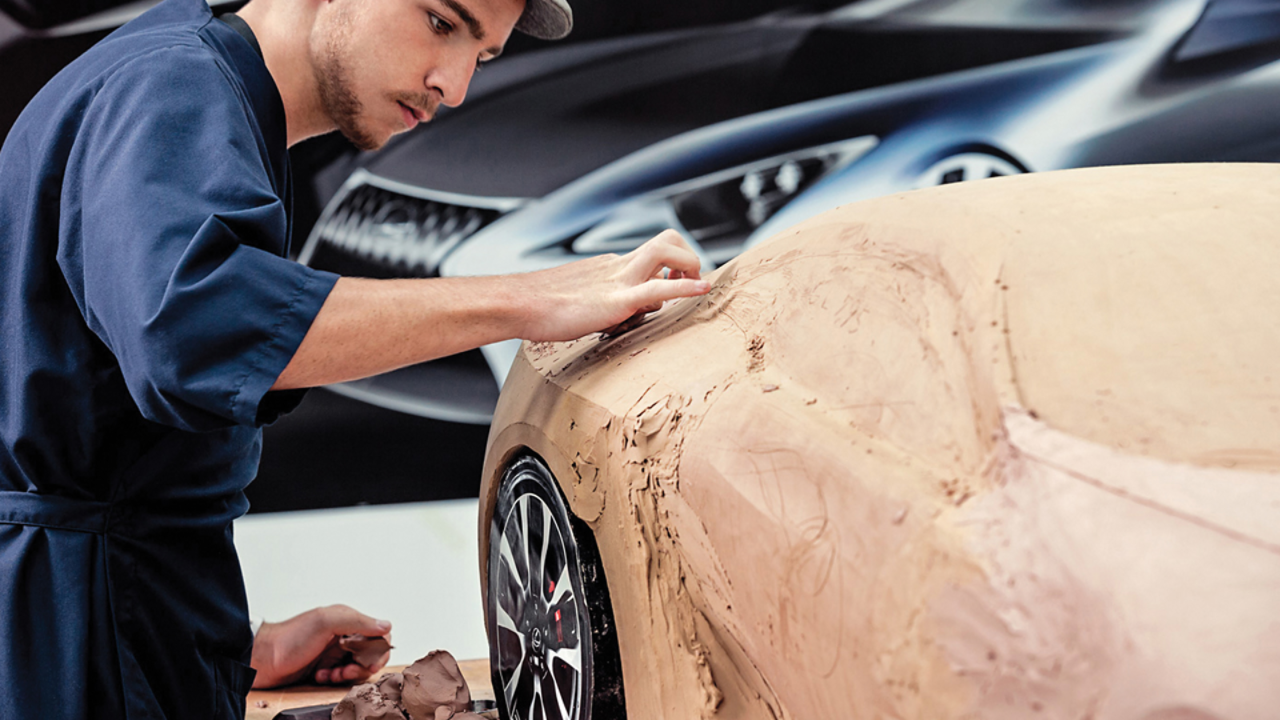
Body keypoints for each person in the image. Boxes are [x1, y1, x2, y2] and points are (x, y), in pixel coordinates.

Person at [0, 0, 710, 716]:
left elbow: (105, 419)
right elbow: (194, 332)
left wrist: (250, 645)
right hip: (72, 645)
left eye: (483, 55)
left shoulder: (198, 92)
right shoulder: (171, 85)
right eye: (440, 21)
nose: (454, 84)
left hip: (122, 616)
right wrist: (533, 299)